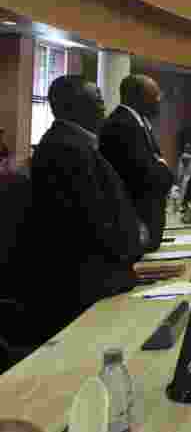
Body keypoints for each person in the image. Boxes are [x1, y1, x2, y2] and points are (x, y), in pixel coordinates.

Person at [21, 75, 147, 345]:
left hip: (96, 278)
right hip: (87, 288)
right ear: (72, 106)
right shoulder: (67, 149)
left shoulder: (74, 144)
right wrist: (132, 244)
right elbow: (93, 221)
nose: (104, 108)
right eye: (97, 101)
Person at [99, 74, 174, 252]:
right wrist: (163, 167)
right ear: (139, 97)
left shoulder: (137, 122)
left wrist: (160, 166)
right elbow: (149, 176)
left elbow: (157, 166)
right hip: (134, 227)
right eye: (155, 96)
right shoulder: (122, 125)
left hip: (143, 227)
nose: (159, 101)